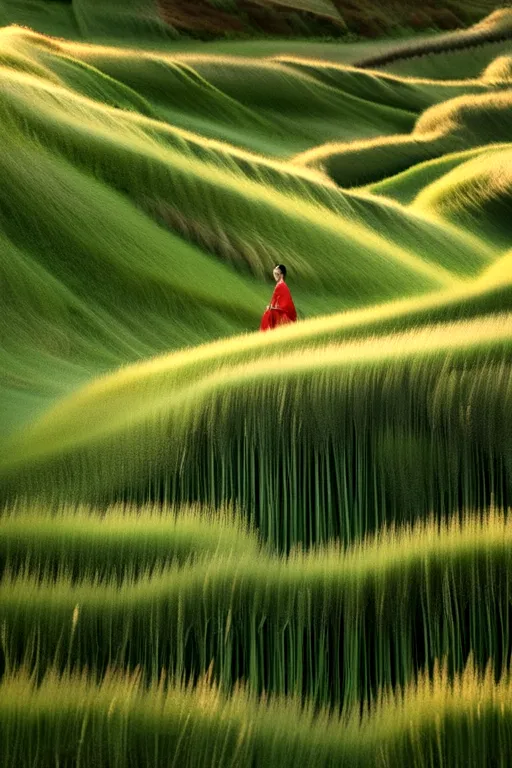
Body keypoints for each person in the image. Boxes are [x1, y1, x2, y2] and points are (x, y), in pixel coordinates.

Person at [260, 264, 297, 331]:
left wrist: (272, 308)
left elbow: (285, 304)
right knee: (268, 311)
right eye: (274, 274)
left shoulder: (281, 285)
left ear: (282, 275)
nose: (275, 276)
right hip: (283, 312)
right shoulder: (280, 285)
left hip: (285, 314)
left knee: (268, 314)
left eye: (277, 274)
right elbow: (274, 300)